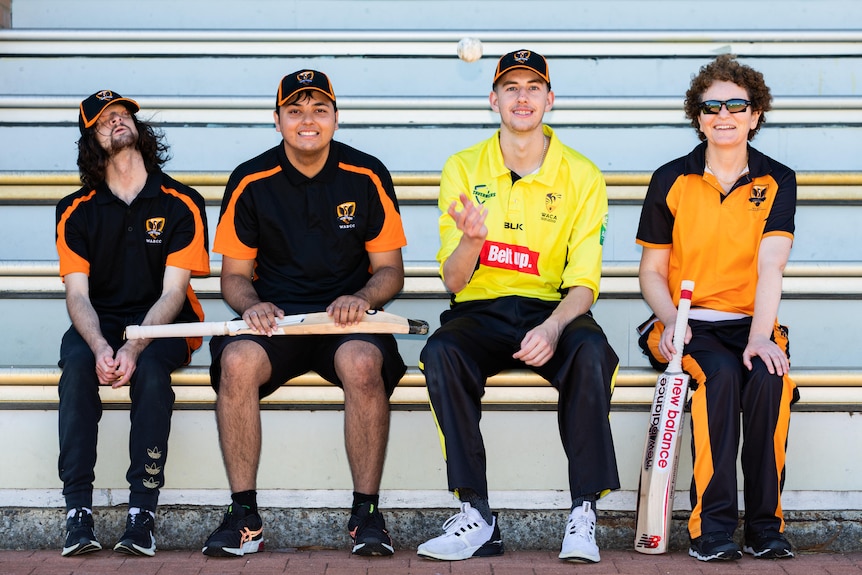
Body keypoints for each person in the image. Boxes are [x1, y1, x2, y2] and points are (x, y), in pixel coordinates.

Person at [416, 50, 620, 564]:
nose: (522, 96)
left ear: (550, 99)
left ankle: (583, 514)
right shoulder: (463, 167)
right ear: (493, 99)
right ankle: (478, 515)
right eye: (511, 87)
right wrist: (471, 241)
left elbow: (585, 284)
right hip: (480, 309)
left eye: (533, 87)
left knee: (593, 353)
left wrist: (552, 329)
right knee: (440, 353)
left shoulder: (583, 174)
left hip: (553, 308)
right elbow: (453, 282)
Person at [202, 70, 408, 558]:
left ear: (335, 117)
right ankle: (243, 515)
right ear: (277, 121)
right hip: (279, 321)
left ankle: (367, 514)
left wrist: (363, 297)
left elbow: (391, 272)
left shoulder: (366, 173)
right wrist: (253, 306)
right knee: (236, 363)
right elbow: (232, 277)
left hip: (347, 321)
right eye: (295, 111)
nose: (307, 121)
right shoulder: (251, 179)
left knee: (362, 363)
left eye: (318, 110)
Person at [636, 54, 798, 562]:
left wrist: (760, 337)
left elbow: (771, 266)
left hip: (752, 323)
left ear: (755, 114)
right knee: (721, 378)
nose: (722, 115)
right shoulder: (671, 178)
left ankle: (765, 528)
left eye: (736, 105)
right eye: (711, 107)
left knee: (770, 379)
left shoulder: (777, 180)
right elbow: (651, 272)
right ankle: (713, 528)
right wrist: (669, 321)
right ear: (698, 116)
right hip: (686, 326)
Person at [55, 90, 210, 557]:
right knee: (78, 369)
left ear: (140, 129)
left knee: (151, 374)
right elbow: (77, 295)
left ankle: (142, 512)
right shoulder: (73, 209)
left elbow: (172, 292)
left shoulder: (182, 201)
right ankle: (77, 512)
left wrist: (135, 345)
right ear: (90, 140)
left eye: (123, 114)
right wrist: (103, 346)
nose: (117, 120)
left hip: (164, 321)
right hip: (99, 320)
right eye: (104, 119)